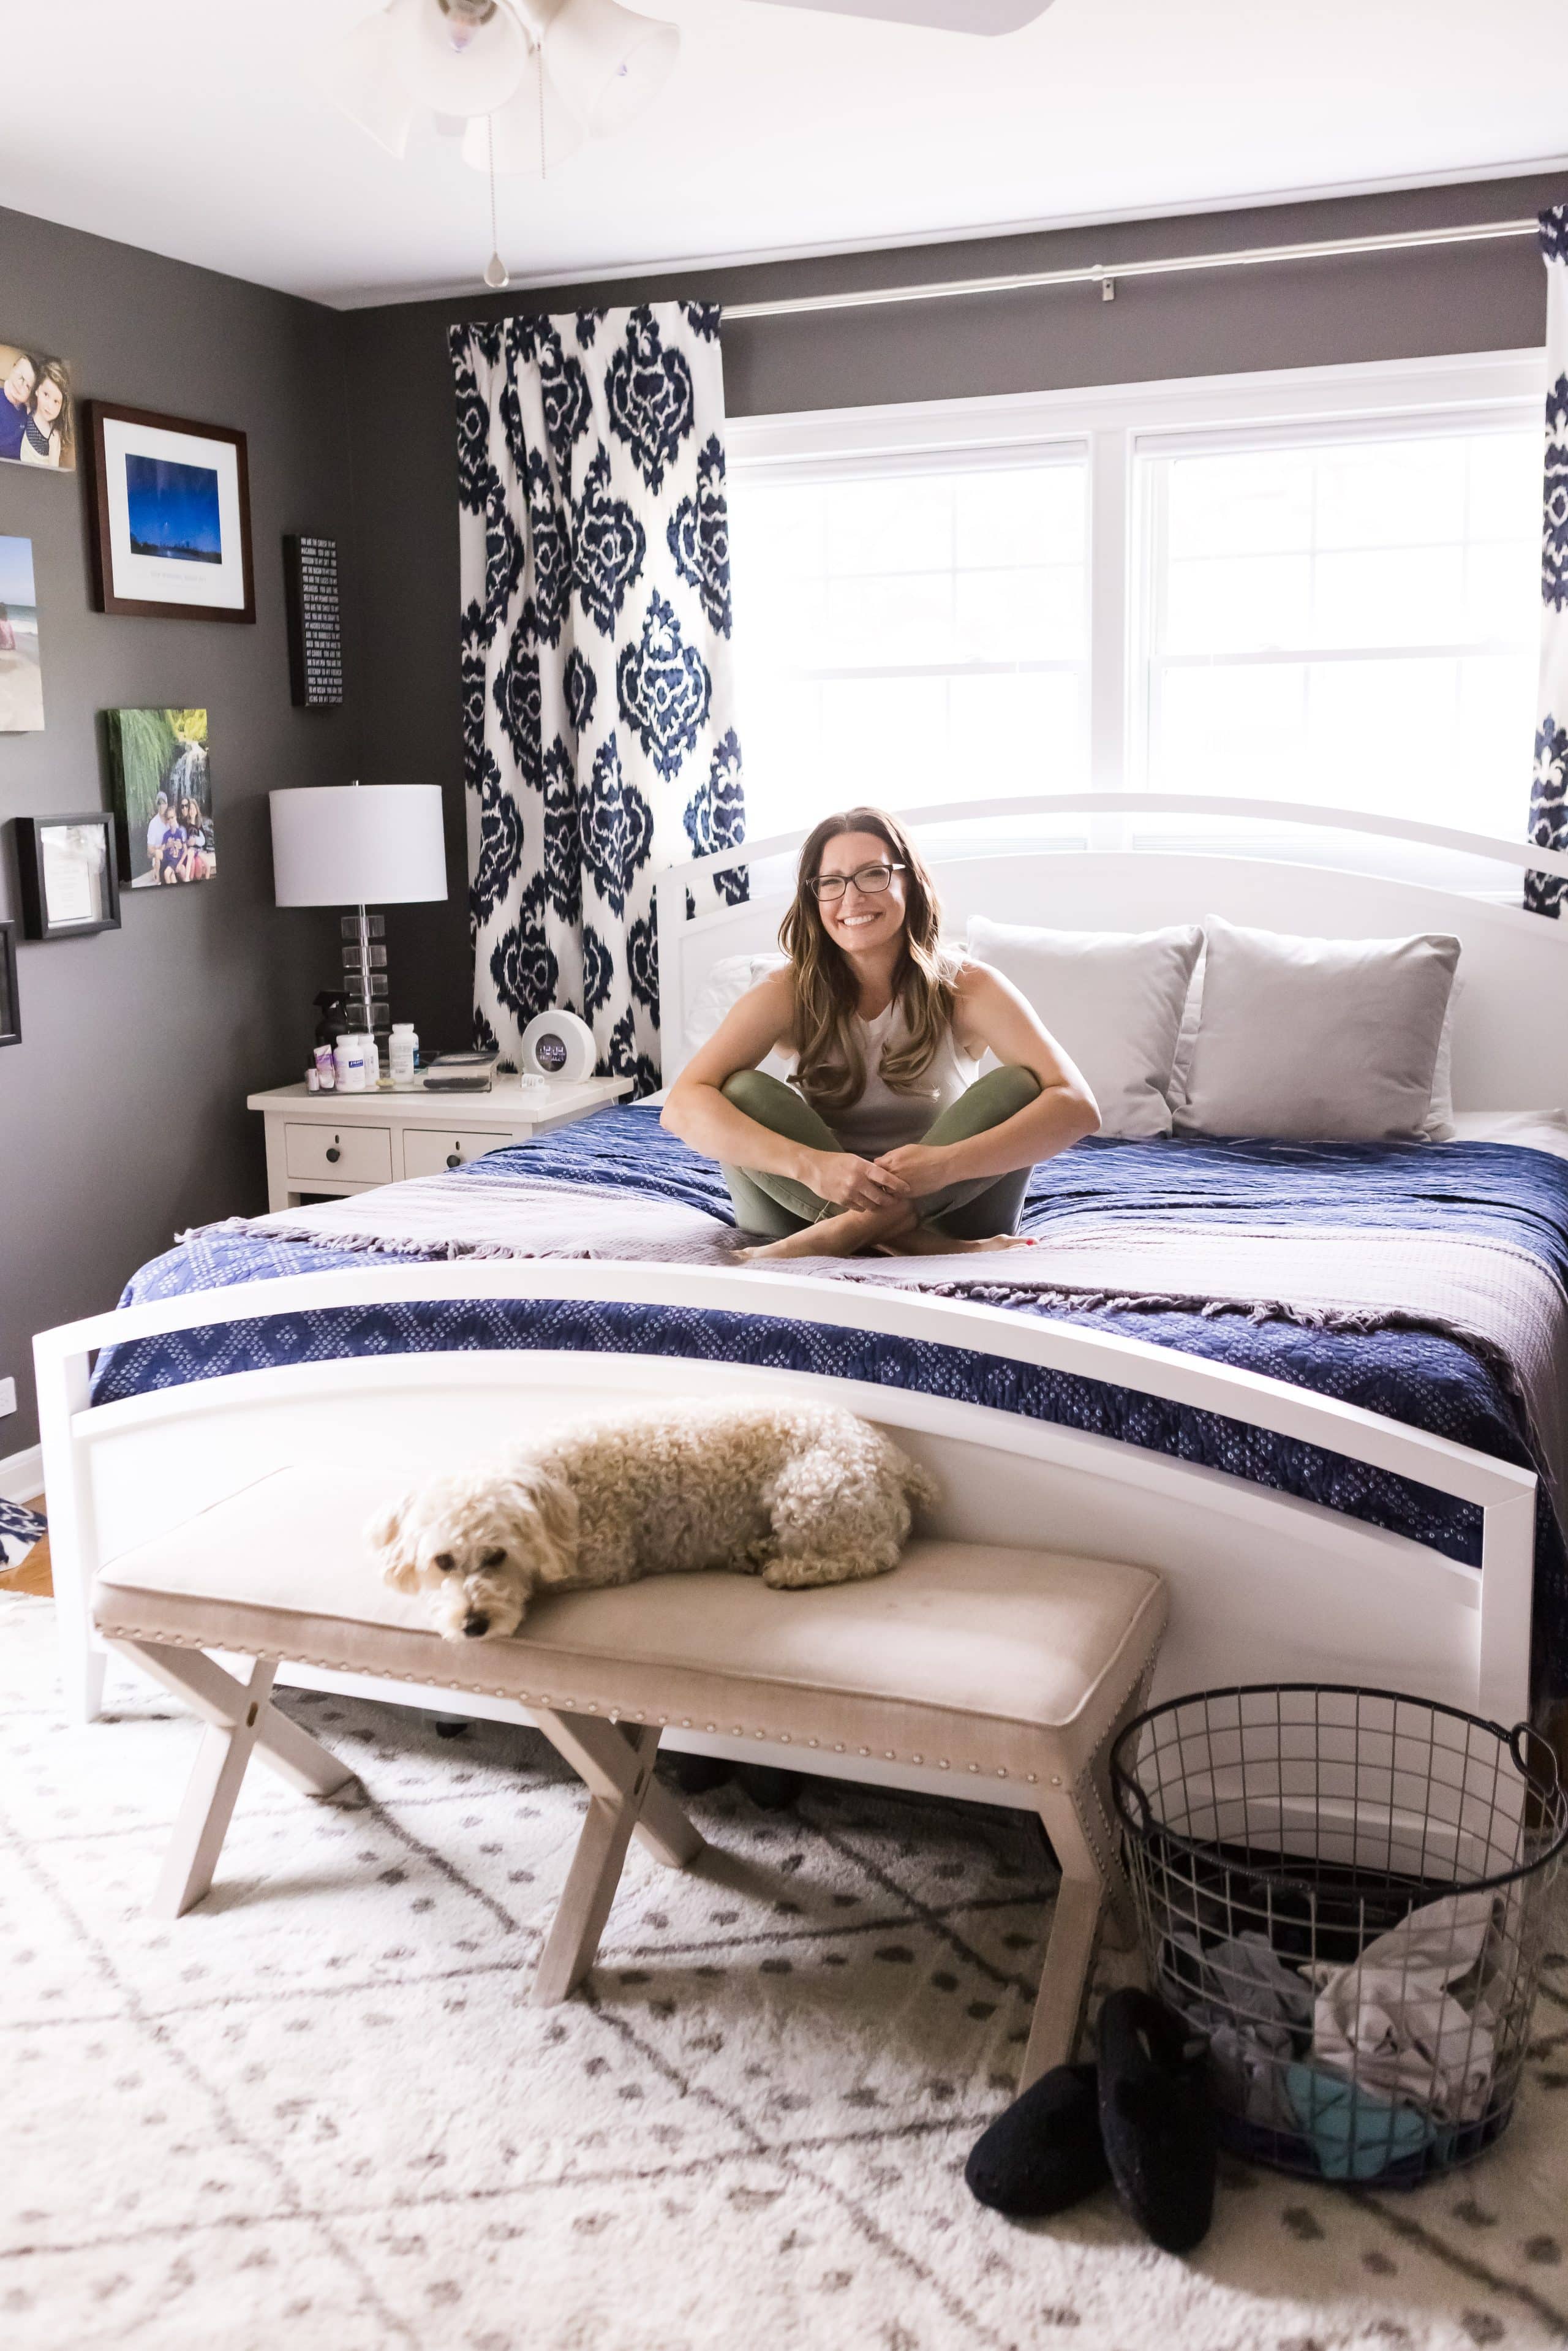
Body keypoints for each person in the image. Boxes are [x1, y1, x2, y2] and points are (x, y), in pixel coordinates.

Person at [662, 805, 1100, 1263]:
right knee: (737, 1089)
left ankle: (842, 1240)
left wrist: (944, 1166)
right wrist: (812, 1167)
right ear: (814, 898)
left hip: (952, 1208)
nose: (851, 899)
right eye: (831, 882)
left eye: (874, 874)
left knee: (1022, 1086)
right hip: (803, 1207)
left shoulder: (970, 986)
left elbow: (1077, 1106)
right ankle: (920, 1249)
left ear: (909, 882)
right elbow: (681, 1106)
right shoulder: (784, 992)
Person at [18, 360, 69, 468]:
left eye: (56, 401)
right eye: (46, 394)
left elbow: (53, 468)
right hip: (21, 460)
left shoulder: (53, 435)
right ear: (37, 390)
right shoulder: (33, 408)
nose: (49, 406)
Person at [0, 350, 37, 464]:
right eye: (20, 376)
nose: (21, 385)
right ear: (13, 368)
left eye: (28, 386)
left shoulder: (28, 413)